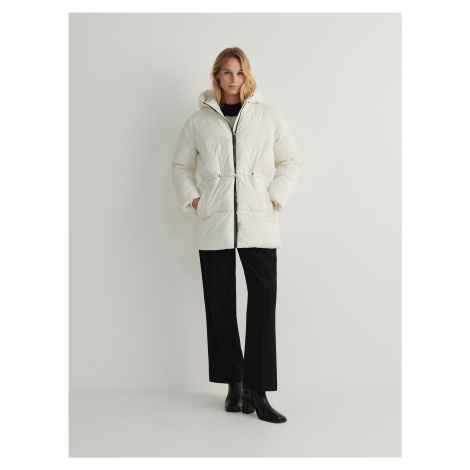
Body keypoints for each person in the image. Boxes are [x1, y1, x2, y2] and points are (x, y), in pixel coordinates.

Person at [171, 47, 301, 424]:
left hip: (258, 221)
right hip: (214, 222)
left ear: (247, 75)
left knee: (262, 300)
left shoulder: (268, 116)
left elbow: (290, 160)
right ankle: (234, 384)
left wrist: (273, 198)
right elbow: (180, 166)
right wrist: (195, 199)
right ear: (217, 75)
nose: (233, 79)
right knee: (219, 303)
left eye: (239, 72)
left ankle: (257, 391)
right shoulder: (198, 122)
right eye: (227, 72)